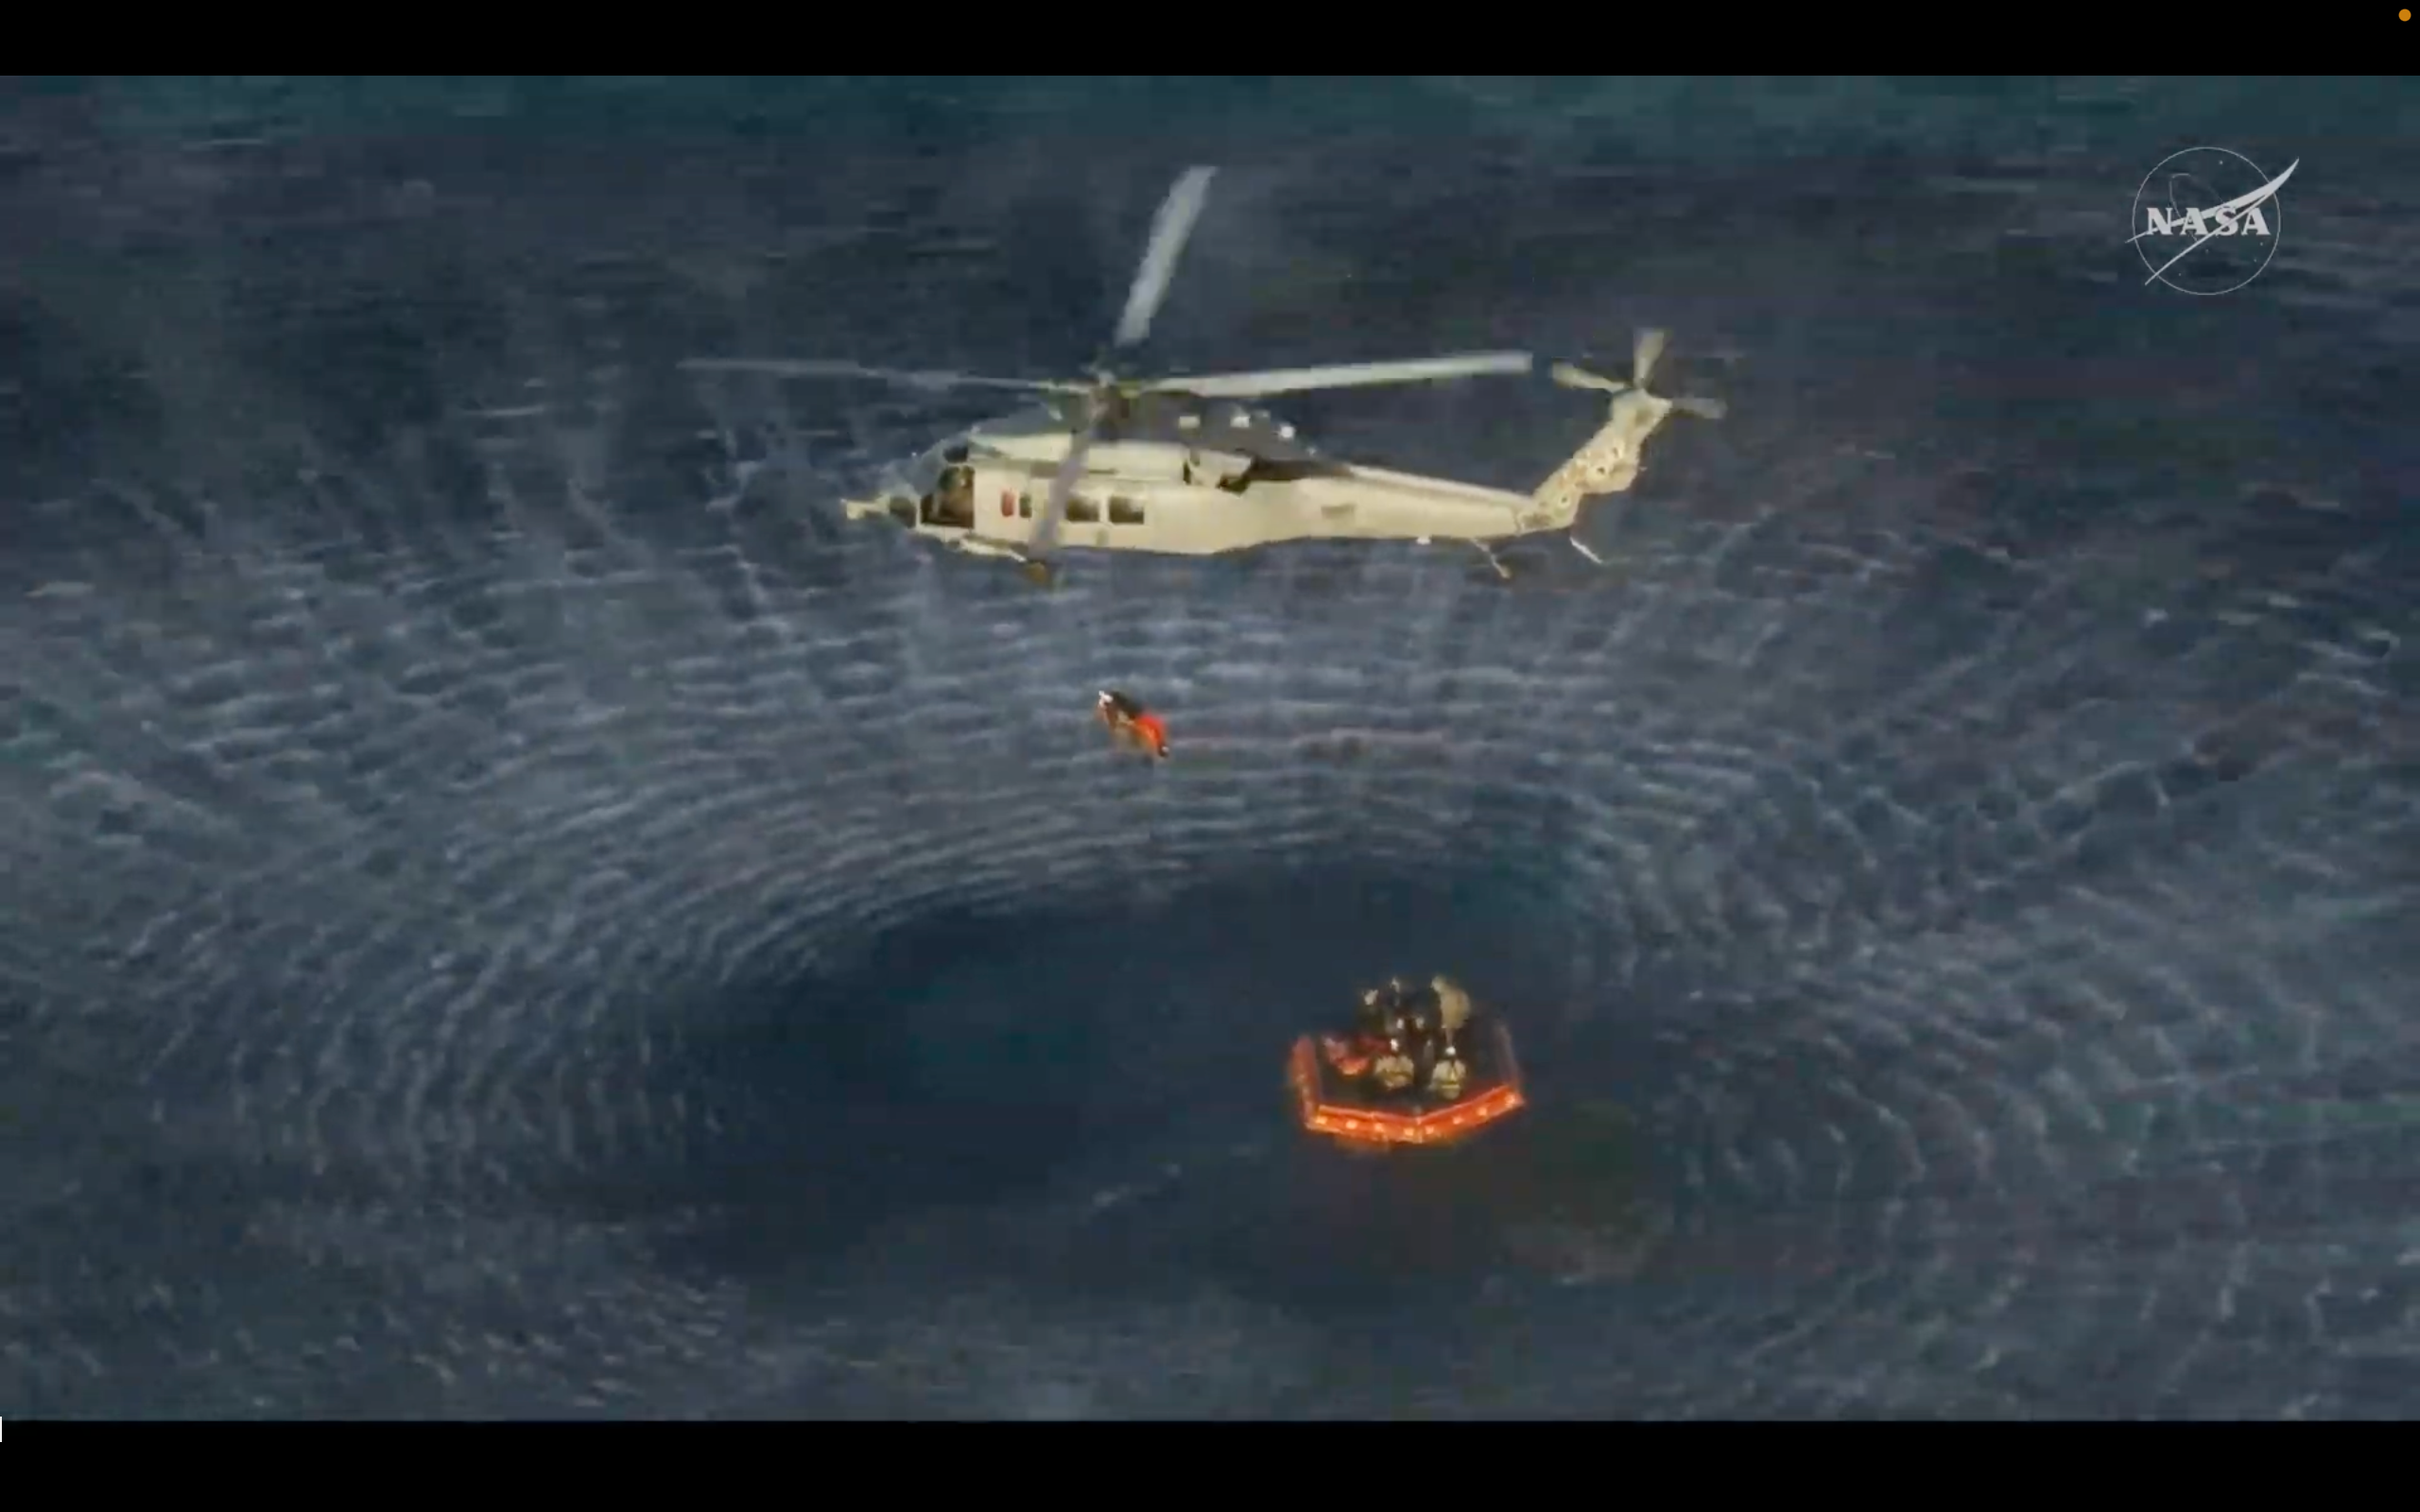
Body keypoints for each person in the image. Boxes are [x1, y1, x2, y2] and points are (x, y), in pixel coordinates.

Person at [1097, 689, 1169, 760]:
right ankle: (1112, 699)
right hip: (1138, 716)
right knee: (1125, 708)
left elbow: (1147, 726)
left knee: (1125, 709)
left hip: (1140, 715)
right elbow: (1142, 727)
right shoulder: (1156, 737)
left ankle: (1113, 699)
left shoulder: (1159, 736)